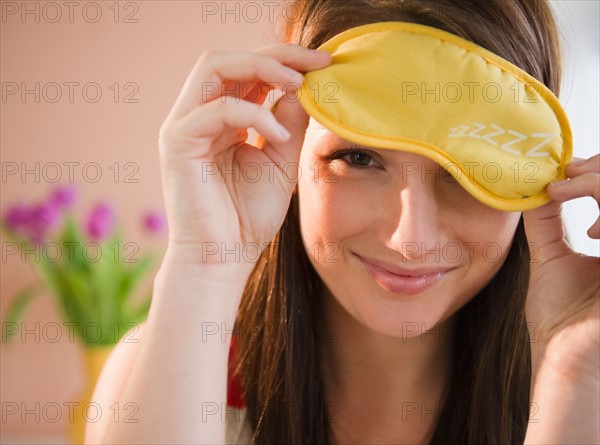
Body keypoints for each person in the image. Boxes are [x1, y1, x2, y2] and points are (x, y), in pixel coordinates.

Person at [87, 0, 600, 444]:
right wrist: (206, 262)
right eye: (357, 159)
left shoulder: (582, 385)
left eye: (469, 172)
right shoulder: (171, 374)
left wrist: (572, 383)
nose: (411, 240)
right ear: (287, 147)